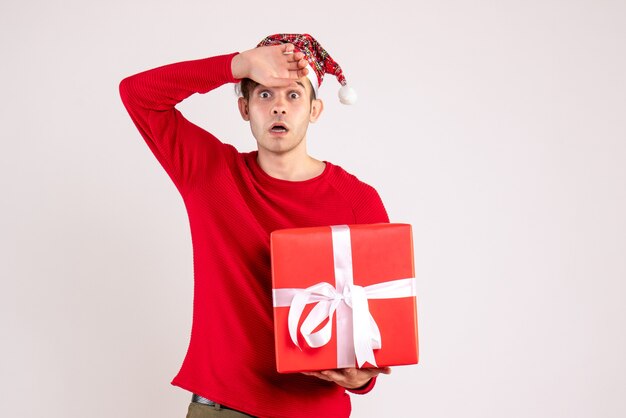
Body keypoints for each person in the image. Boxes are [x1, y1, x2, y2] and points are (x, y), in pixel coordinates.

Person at [119, 33, 391, 418]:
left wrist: (362, 378)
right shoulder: (210, 174)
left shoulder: (358, 201)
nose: (278, 107)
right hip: (222, 409)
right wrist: (240, 64)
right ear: (244, 108)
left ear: (315, 110)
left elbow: (379, 322)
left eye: (293, 95)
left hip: (314, 411)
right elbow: (138, 94)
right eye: (265, 94)